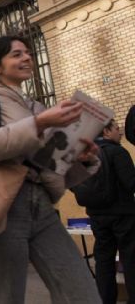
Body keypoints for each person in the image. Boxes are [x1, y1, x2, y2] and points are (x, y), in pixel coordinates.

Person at [0, 35, 101, 304]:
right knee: (6, 296)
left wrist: (81, 158)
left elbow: (49, 165)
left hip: (43, 206)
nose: (26, 58)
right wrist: (39, 123)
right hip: (1, 206)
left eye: (27, 52)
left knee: (81, 292)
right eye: (16, 54)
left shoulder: (36, 106)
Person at [84, 118, 135, 303]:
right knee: (130, 259)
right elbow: (131, 183)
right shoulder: (117, 152)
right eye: (116, 128)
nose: (120, 131)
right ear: (106, 131)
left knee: (104, 261)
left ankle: (105, 299)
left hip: (97, 216)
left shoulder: (85, 154)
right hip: (123, 216)